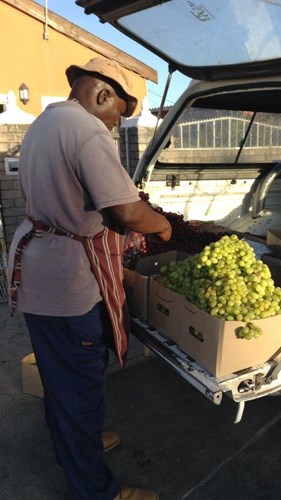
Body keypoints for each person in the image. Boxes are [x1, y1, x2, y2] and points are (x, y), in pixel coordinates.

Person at [7, 57, 172, 500]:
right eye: (119, 113)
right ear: (102, 95)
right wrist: (161, 227)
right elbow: (127, 210)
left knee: (62, 380)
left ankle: (73, 447)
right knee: (79, 385)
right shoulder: (86, 131)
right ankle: (97, 491)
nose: (116, 123)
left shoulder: (45, 123)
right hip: (65, 283)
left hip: (39, 273)